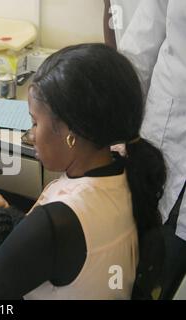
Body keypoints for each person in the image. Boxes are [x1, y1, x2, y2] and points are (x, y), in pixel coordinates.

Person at [0, 44, 167, 300]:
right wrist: (17, 220)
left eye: (35, 122)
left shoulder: (57, 223)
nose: (29, 135)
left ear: (71, 133)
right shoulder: (123, 172)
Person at [105, 0, 186, 299]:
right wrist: (111, 127)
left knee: (165, 275)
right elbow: (138, 51)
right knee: (128, 259)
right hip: (162, 136)